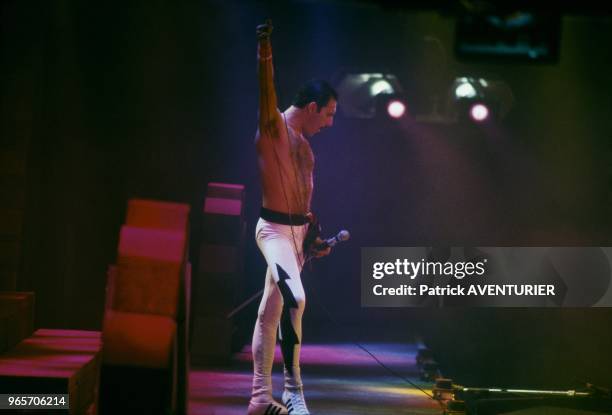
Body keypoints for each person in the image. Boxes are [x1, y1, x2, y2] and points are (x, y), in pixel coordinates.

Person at [248, 20, 338, 415]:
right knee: (295, 298)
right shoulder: (275, 129)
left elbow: (301, 197)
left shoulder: (304, 143)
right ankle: (293, 390)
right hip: (274, 232)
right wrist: (265, 48)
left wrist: (312, 235)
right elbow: (266, 92)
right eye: (329, 114)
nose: (330, 123)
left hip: (296, 236)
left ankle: (258, 401)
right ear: (313, 107)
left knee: (270, 314)